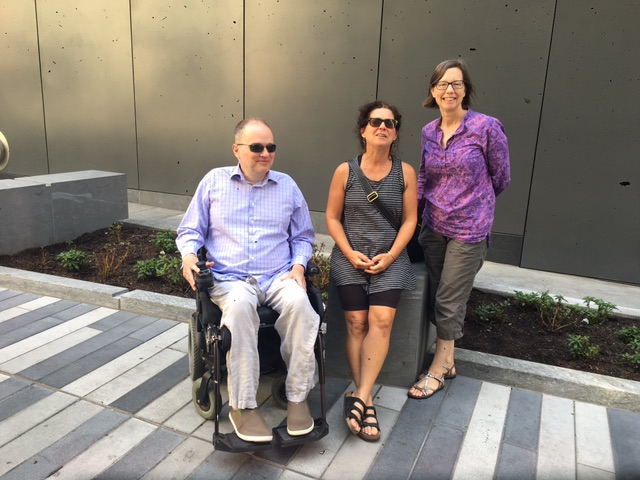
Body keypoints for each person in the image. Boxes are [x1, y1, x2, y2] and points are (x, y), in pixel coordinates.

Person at [176, 118, 320, 443]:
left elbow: (302, 236)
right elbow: (190, 230)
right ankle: (243, 406)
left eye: (271, 147)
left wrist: (299, 266)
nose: (265, 153)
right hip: (231, 279)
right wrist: (188, 256)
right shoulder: (214, 181)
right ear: (236, 149)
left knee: (301, 305)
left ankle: (298, 397)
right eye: (257, 147)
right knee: (240, 306)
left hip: (279, 275)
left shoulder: (287, 186)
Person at [408, 59, 510, 400]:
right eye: (442, 84)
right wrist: (414, 215)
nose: (449, 90)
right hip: (434, 224)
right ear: (433, 91)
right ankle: (449, 361)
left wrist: (474, 205)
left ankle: (438, 367)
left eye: (456, 83)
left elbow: (501, 176)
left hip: (470, 228)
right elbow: (424, 175)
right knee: (439, 292)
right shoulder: (429, 131)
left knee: (450, 297)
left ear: (466, 90)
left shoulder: (486, 127)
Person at [326, 100, 417, 441]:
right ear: (363, 130)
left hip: (389, 259)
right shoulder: (345, 171)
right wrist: (349, 253)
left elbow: (410, 221)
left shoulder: (405, 173)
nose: (383, 127)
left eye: (390, 123)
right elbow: (332, 217)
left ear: (395, 134)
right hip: (350, 258)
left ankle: (362, 397)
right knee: (356, 322)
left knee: (381, 320)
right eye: (376, 121)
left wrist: (391, 255)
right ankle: (365, 398)